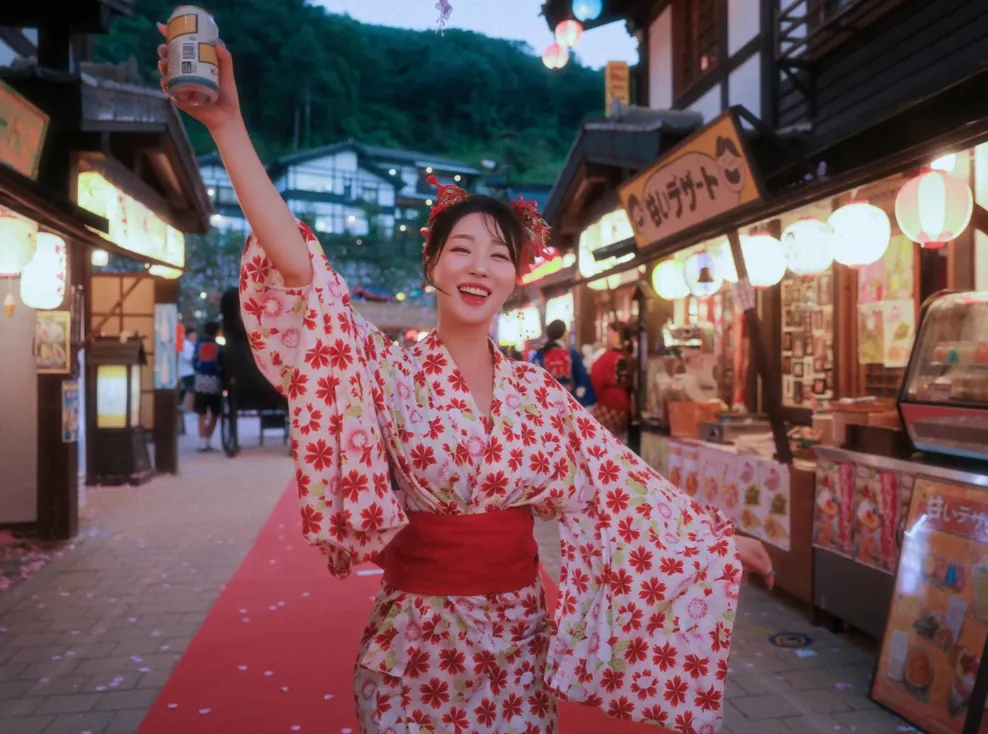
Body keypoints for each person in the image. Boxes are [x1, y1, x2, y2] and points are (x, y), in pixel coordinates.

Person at [158, 29, 774, 733]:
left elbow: (620, 483)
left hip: (517, 643)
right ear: (434, 269)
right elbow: (300, 272)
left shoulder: (541, 395)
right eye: (462, 250)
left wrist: (717, 546)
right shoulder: (387, 371)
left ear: (516, 278)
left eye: (498, 255)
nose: (480, 267)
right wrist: (228, 125)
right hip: (415, 643)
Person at [532, 319, 595, 407]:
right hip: (568, 399)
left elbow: (534, 377)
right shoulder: (572, 353)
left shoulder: (540, 354)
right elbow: (581, 376)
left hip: (547, 400)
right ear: (564, 333)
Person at [590, 321, 636, 442]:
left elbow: (595, 381)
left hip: (608, 405)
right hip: (626, 406)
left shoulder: (607, 358)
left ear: (616, 334)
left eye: (608, 333)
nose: (606, 337)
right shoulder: (631, 358)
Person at [192, 321, 223, 452]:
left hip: (200, 380)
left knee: (201, 412)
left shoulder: (199, 344)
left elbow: (194, 362)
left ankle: (202, 440)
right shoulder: (219, 346)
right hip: (215, 381)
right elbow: (221, 364)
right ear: (216, 332)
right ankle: (208, 438)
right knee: (215, 413)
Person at [178, 326, 197, 434]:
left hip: (185, 372)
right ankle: (188, 409)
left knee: (189, 391)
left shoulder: (188, 344)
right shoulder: (187, 345)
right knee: (190, 391)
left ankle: (187, 408)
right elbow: (189, 359)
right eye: (193, 334)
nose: (195, 336)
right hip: (188, 372)